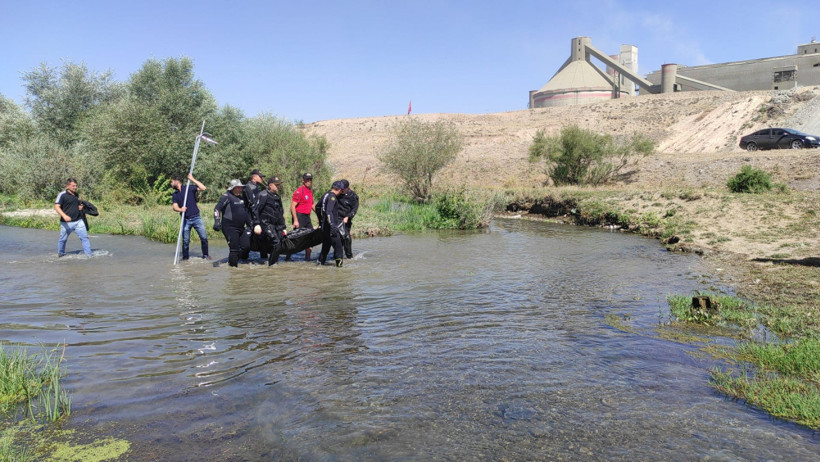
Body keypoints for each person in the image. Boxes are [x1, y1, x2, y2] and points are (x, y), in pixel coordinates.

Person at [214, 179, 252, 267]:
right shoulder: (226, 196)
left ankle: (235, 260)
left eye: (241, 188)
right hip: (229, 227)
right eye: (238, 188)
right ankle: (233, 269)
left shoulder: (241, 198)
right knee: (234, 249)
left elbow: (245, 213)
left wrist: (250, 224)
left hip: (241, 227)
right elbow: (217, 209)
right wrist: (217, 221)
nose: (240, 189)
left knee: (246, 246)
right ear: (233, 188)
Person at [171, 173, 209, 260]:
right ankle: (185, 258)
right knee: (185, 241)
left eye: (172, 181)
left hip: (196, 218)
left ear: (177, 181)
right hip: (186, 220)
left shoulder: (189, 188)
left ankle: (206, 255)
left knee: (204, 237)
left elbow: (203, 188)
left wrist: (192, 179)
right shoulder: (175, 194)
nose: (171, 183)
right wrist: (181, 210)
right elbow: (174, 207)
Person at [252, 176, 287, 265]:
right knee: (276, 243)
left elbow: (280, 213)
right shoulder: (263, 195)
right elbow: (255, 210)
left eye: (279, 185)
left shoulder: (277, 197)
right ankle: (272, 265)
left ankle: (270, 262)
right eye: (276, 185)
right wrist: (256, 224)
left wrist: (283, 227)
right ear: (270, 185)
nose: (278, 187)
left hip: (275, 225)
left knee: (278, 244)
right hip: (265, 224)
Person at [55, 178, 92, 257]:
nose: (75, 187)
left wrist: (80, 207)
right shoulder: (62, 195)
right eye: (73, 186)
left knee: (85, 238)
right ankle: (61, 254)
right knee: (63, 240)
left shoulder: (76, 194)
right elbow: (56, 207)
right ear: (67, 186)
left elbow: (74, 205)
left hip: (78, 221)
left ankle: (89, 255)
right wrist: (64, 216)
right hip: (66, 223)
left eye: (76, 186)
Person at [315, 181, 345, 267]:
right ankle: (339, 268)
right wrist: (332, 225)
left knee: (325, 247)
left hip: (325, 226)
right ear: (339, 189)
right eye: (342, 191)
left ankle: (320, 264)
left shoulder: (326, 195)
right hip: (331, 228)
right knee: (338, 248)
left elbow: (317, 207)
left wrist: (321, 220)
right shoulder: (332, 197)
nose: (341, 193)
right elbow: (329, 212)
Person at [290, 172, 315, 261]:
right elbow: (292, 206)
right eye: (307, 179)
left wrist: (320, 214)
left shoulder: (310, 191)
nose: (309, 181)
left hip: (307, 217)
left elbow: (312, 204)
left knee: (311, 237)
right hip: (299, 217)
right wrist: (295, 220)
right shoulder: (299, 191)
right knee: (296, 239)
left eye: (310, 179)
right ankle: (287, 256)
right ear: (303, 180)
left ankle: (307, 258)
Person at [244, 169, 267, 260]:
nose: (261, 179)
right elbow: (252, 205)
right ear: (254, 177)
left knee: (262, 237)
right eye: (260, 177)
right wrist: (256, 221)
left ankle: (264, 258)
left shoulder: (257, 187)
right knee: (250, 237)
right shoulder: (248, 187)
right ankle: (243, 257)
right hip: (251, 217)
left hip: (258, 216)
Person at [337, 179, 359, 259]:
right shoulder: (337, 193)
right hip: (337, 218)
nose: (341, 190)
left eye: (343, 189)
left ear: (348, 188)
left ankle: (349, 256)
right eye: (340, 189)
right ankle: (337, 255)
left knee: (346, 237)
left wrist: (348, 217)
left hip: (346, 219)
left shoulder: (353, 196)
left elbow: (354, 209)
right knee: (337, 238)